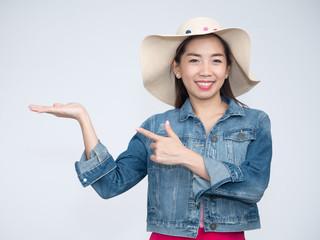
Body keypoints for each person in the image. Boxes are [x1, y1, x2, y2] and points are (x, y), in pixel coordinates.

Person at [29, 17, 272, 240]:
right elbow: (109, 185)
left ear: (228, 68)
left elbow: (254, 187)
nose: (205, 70)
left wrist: (186, 156)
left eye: (216, 60)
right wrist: (83, 118)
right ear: (177, 68)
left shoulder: (255, 122)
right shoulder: (156, 126)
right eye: (194, 60)